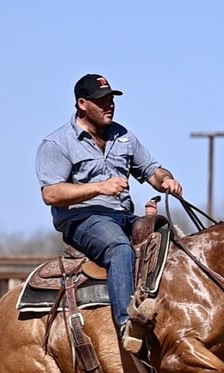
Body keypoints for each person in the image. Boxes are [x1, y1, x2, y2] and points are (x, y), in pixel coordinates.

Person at [35, 73, 184, 353]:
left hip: (124, 217)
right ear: (82, 104)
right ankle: (128, 326)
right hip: (84, 220)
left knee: (174, 242)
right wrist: (100, 188)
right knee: (120, 249)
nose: (109, 105)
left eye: (111, 100)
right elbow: (51, 194)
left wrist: (166, 180)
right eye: (101, 101)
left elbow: (152, 170)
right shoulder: (57, 143)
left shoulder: (123, 136)